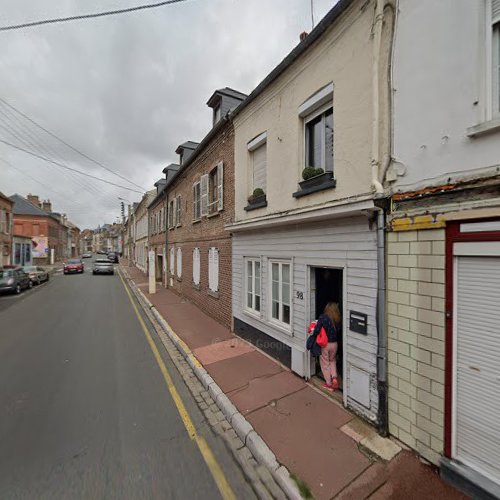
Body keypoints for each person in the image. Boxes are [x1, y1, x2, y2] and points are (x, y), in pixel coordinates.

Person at [314, 302, 341, 391]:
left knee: (325, 363)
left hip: (325, 344)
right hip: (334, 344)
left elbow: (317, 330)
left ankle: (329, 384)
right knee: (332, 360)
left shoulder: (323, 317)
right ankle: (334, 378)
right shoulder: (337, 319)